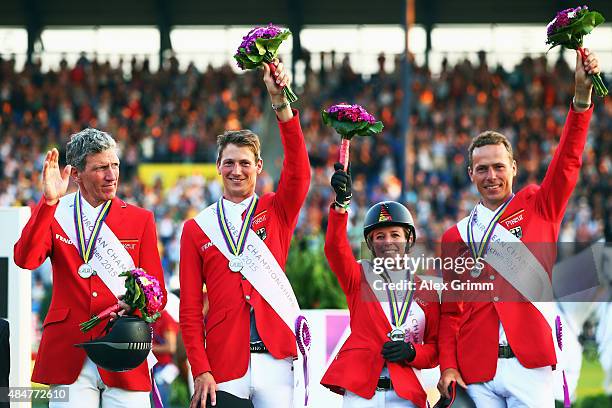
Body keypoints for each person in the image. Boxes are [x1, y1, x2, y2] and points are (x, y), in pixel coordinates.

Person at [437, 49, 600, 407]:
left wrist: (581, 100)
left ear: (513, 167)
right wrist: (447, 366)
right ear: (470, 175)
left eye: (498, 167)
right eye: (482, 169)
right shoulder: (456, 236)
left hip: (530, 367)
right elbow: (450, 312)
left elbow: (568, 162)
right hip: (478, 371)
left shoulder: (541, 205)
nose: (491, 176)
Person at [179, 59, 310, 408]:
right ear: (218, 167)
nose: (237, 171)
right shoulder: (196, 228)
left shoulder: (276, 209)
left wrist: (280, 104)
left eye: (245, 163)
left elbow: (298, 172)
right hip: (223, 364)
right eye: (229, 163)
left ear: (259, 167)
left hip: (276, 357)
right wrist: (200, 368)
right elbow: (190, 309)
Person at [13, 129, 167, 407]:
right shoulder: (56, 213)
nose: (112, 176)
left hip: (124, 348)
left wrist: (136, 304)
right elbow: (26, 259)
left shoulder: (140, 219)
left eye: (115, 165)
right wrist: (48, 203)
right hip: (69, 351)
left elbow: (158, 293)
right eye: (100, 168)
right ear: (76, 174)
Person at [320, 163, 440, 408]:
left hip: (406, 394)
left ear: (408, 241)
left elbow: (436, 349)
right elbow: (334, 248)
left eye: (395, 235)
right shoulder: (359, 276)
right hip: (362, 395)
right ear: (371, 244)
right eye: (380, 236)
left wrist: (412, 352)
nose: (388, 242)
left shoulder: (428, 290)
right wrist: (341, 206)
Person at [152, 310, 179, 408]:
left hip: (162, 369)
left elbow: (171, 347)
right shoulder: (153, 317)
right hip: (154, 367)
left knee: (160, 404)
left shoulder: (165, 318)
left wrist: (148, 347)